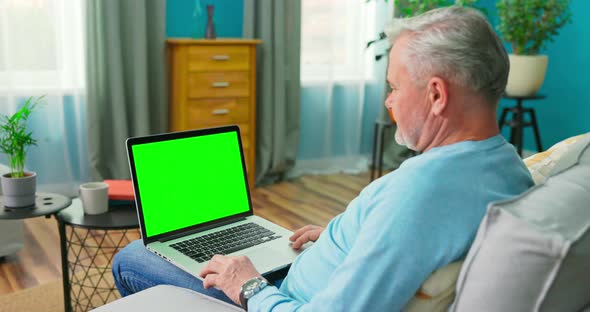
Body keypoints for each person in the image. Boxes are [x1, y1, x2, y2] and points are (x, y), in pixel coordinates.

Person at [112, 6, 534, 311]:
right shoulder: (509, 166)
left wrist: (249, 288)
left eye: (394, 87)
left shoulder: (420, 191)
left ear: (437, 95)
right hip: (304, 279)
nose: (389, 101)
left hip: (278, 301)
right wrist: (344, 238)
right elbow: (404, 242)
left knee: (133, 258)